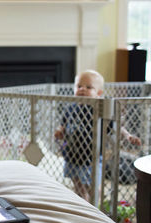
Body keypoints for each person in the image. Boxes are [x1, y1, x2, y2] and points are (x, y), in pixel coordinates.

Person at [54, 70, 141, 202]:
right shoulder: (70, 108)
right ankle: (83, 205)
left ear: (99, 94)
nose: (82, 89)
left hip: (91, 159)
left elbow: (116, 126)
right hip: (71, 156)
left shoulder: (99, 110)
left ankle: (96, 206)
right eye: (79, 86)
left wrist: (128, 136)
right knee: (78, 187)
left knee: (93, 187)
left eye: (89, 87)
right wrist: (59, 131)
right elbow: (63, 124)